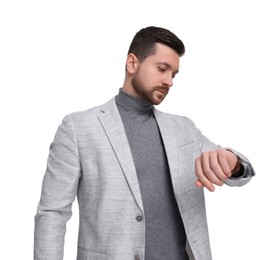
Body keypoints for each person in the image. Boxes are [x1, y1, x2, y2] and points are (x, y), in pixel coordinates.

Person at [34, 26, 255, 260]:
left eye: (174, 74)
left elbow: (238, 172)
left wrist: (233, 162)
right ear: (132, 63)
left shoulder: (183, 128)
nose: (169, 81)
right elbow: (52, 213)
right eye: (162, 69)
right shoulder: (78, 128)